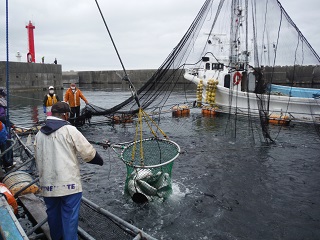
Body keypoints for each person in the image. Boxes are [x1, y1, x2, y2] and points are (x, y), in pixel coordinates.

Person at [34, 101, 104, 240]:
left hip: (48, 185)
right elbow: (89, 155)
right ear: (65, 115)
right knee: (70, 220)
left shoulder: (39, 134)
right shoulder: (70, 130)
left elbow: (38, 158)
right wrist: (100, 161)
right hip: (69, 186)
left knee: (53, 217)